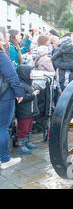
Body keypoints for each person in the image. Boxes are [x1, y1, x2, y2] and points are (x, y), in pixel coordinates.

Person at [0, 31, 24, 169]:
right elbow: (11, 75)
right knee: (2, 127)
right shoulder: (1, 54)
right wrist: (19, 92)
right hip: (4, 94)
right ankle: (5, 160)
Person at [15, 66, 40, 155]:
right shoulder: (21, 85)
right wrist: (33, 94)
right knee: (23, 128)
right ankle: (21, 145)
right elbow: (20, 99)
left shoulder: (29, 83)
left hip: (30, 111)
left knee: (28, 127)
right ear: (24, 74)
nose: (32, 74)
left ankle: (27, 141)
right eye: (30, 72)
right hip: (24, 112)